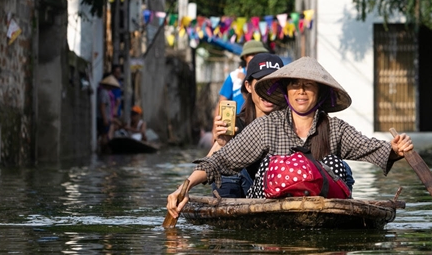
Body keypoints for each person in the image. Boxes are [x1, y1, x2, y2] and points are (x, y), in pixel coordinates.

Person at [167, 56, 414, 218]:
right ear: (286, 92)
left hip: (323, 205)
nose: (302, 92)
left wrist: (395, 149)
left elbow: (372, 148)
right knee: (270, 165)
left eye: (309, 86)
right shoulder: (266, 127)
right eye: (295, 85)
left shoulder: (334, 128)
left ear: (319, 93)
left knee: (339, 166)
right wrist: (185, 186)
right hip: (270, 203)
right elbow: (221, 161)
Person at [207, 52, 283, 198]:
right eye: (261, 84)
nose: (268, 92)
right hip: (247, 191)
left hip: (280, 189)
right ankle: (228, 213)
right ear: (248, 86)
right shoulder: (237, 124)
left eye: (274, 85)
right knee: (226, 165)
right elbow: (212, 162)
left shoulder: (291, 121)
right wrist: (186, 186)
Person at [215, 40, 269, 116]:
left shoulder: (268, 75)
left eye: (259, 54)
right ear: (245, 57)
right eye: (252, 54)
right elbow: (222, 103)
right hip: (238, 123)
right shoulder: (234, 76)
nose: (256, 57)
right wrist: (215, 127)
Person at [97, 74, 121, 147]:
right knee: (104, 136)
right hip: (103, 118)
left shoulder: (106, 93)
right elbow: (102, 106)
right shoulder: (104, 93)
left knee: (105, 135)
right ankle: (104, 149)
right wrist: (105, 119)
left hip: (105, 118)